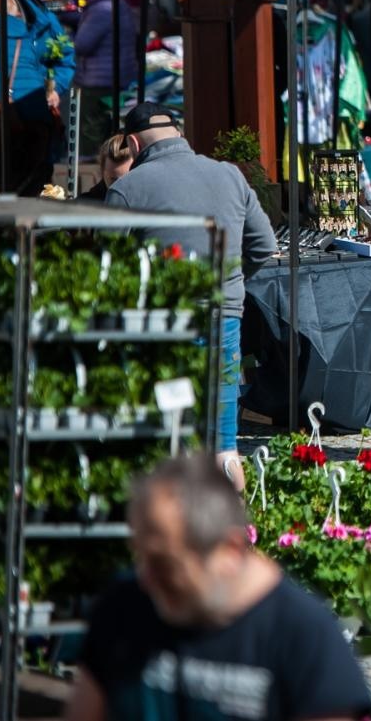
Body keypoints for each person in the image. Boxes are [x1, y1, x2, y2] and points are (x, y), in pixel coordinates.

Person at [62, 456, 371, 721]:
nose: (145, 578)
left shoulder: (304, 637)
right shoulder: (124, 606)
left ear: (232, 550)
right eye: (140, 556)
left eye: (164, 564)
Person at [104, 104, 278, 489]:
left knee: (170, 439)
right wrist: (230, 282)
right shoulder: (229, 175)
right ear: (179, 133)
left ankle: (176, 534)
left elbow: (109, 272)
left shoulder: (127, 189)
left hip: (162, 328)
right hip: (224, 320)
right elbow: (264, 246)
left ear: (133, 143)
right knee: (223, 443)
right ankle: (240, 531)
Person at [0, 0, 75, 195]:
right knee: (33, 173)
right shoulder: (26, 36)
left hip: (3, 116)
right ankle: (27, 219)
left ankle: (0, 222)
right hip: (38, 112)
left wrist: (56, 87)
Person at [71, 0, 140, 155]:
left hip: (99, 80)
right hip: (121, 75)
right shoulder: (120, 4)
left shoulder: (100, 10)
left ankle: (95, 169)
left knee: (93, 132)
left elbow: (82, 45)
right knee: (113, 131)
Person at [80, 133, 135, 201]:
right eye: (113, 180)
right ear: (102, 172)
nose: (119, 187)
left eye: (125, 180)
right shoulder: (85, 206)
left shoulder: (146, 203)